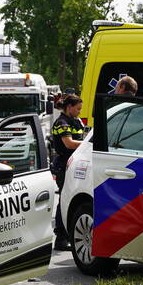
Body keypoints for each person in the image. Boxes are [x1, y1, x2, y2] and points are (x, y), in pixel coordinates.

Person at [50, 94, 84, 250]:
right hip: (63, 164)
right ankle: (60, 237)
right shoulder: (61, 123)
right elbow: (69, 144)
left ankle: (69, 233)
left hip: (75, 163)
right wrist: (88, 144)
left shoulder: (76, 121)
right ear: (69, 107)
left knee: (73, 198)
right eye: (77, 109)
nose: (79, 112)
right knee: (64, 198)